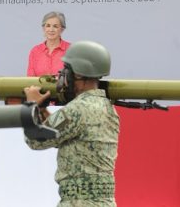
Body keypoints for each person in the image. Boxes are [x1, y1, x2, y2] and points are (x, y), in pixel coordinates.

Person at [23, 41, 119, 206]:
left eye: (67, 71)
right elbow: (60, 135)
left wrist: (30, 106)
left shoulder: (78, 109)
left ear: (80, 75)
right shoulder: (108, 108)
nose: (63, 77)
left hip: (79, 202)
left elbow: (35, 140)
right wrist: (42, 109)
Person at [27, 11, 71, 77]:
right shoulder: (35, 51)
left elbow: (76, 78)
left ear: (62, 29)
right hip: (38, 87)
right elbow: (30, 78)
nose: (51, 29)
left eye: (55, 26)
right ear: (44, 28)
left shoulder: (71, 50)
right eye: (48, 26)